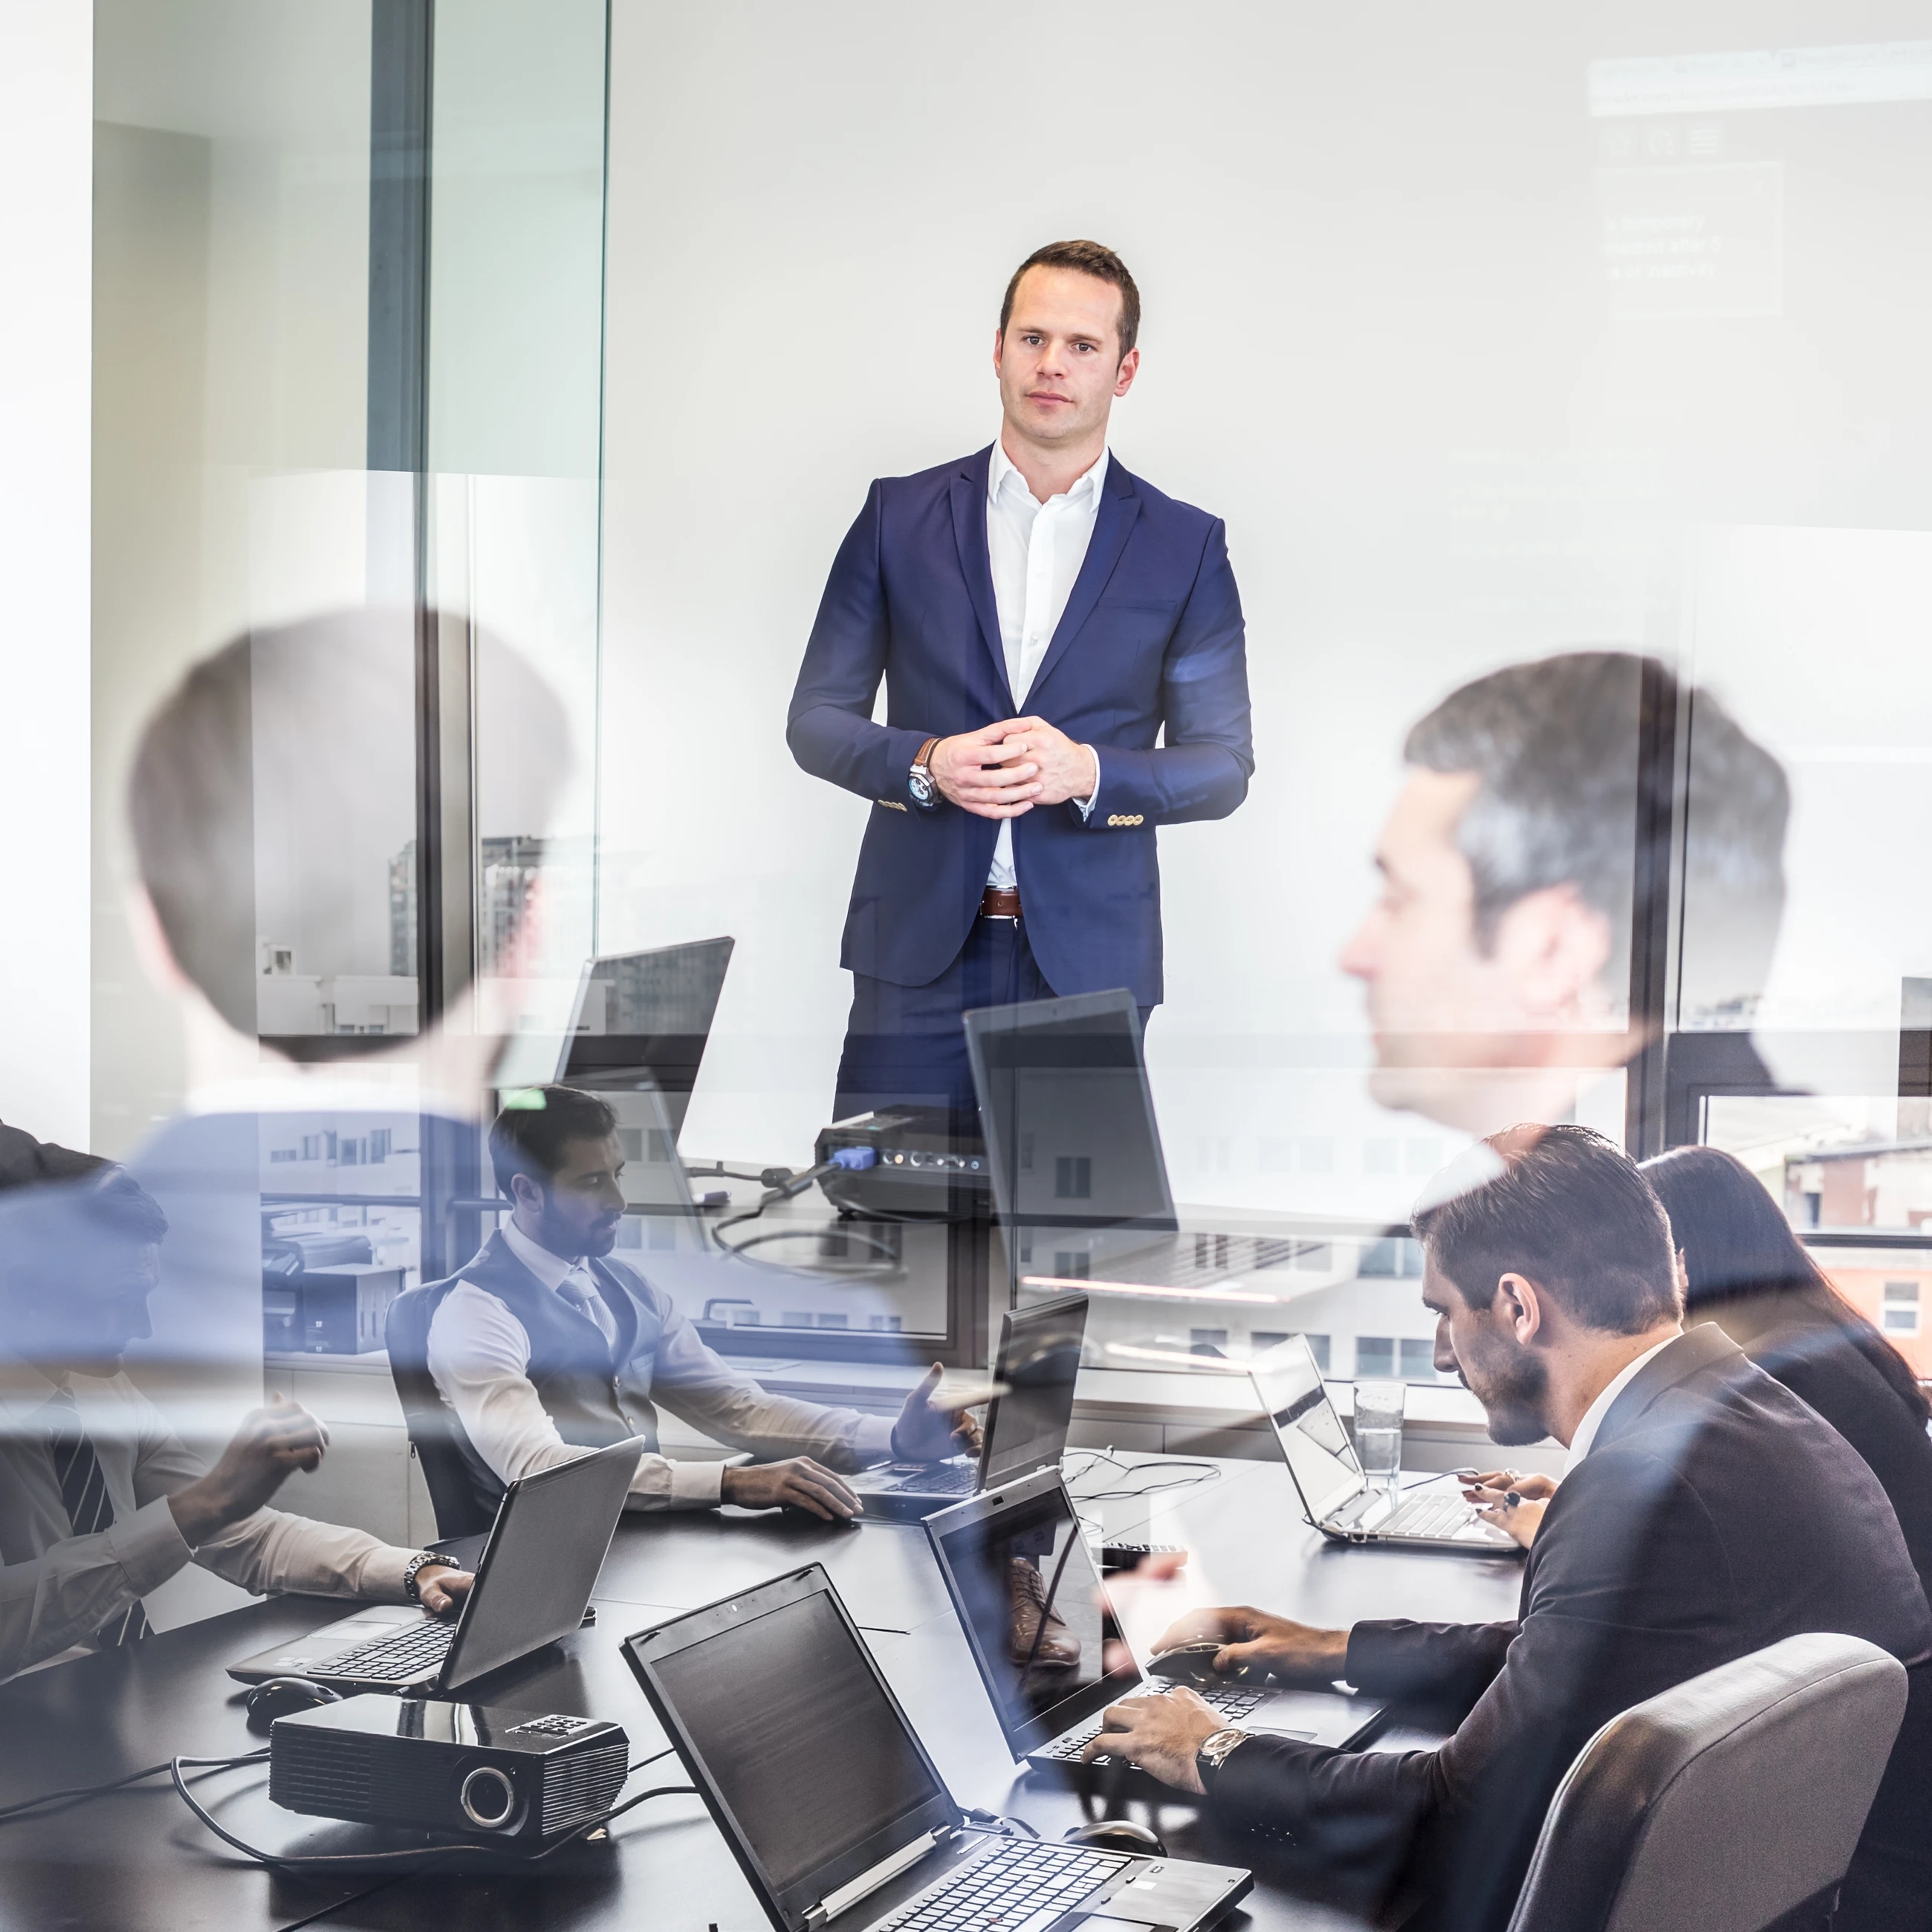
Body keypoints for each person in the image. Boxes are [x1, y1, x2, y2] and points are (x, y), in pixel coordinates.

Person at [1083, 1125, 1932, 1931]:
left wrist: (1216, 1749)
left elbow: (1453, 1815)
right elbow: (1574, 1657)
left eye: (1443, 1311)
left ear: (1519, 1306)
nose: (1440, 1354)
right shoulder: (1738, 1405)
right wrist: (1332, 1648)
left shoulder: (1642, 1486)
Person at [788, 239, 1254, 1124]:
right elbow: (814, 718)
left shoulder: (1183, 545)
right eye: (1032, 337)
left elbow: (1223, 764)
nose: (1052, 364)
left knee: (1060, 1250)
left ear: (1124, 370)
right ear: (996, 348)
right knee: (887, 1233)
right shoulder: (897, 516)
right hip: (912, 955)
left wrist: (1090, 772)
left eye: (1082, 345)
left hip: (1084, 964)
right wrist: (926, 761)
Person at [418, 1084, 978, 1522]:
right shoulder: (475, 1314)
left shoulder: (626, 1288)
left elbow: (738, 1409)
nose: (618, 1200)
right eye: (591, 1184)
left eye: (616, 1175)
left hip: (645, 1542)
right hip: (547, 1573)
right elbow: (538, 1470)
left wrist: (895, 1438)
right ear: (527, 1192)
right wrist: (728, 1483)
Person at [0, 1168, 470, 1680]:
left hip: (118, 1690)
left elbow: (244, 1534)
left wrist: (413, 1570)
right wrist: (201, 1506)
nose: (142, 1326)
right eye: (117, 1300)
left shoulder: (100, 1388)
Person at [1340, 652, 1789, 1138]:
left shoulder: (1639, 1203)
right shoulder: (1721, 1184)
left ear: (1555, 949)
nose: (1354, 957)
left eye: (1398, 901)